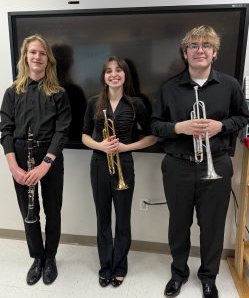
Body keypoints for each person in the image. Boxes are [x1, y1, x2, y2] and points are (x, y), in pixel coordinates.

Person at [151, 25, 249, 298]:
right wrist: (178, 128)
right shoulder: (169, 87)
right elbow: (155, 125)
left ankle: (208, 276)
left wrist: (221, 126)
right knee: (178, 225)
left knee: (213, 226)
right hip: (178, 165)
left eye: (206, 45)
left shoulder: (230, 85)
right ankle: (178, 273)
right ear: (185, 53)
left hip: (216, 163)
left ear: (215, 52)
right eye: (193, 46)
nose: (200, 50)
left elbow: (243, 117)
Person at [0, 34, 71, 285]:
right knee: (29, 211)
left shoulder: (58, 93)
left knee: (53, 210)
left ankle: (50, 258)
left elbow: (62, 130)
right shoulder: (12, 92)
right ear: (25, 57)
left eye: (42, 53)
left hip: (49, 158)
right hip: (20, 158)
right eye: (33, 52)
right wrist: (13, 167)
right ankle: (37, 258)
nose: (37, 57)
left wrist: (46, 163)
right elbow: (5, 130)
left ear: (48, 59)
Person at [82, 56, 156, 287]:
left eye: (118, 70)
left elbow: (153, 136)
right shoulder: (94, 102)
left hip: (124, 163)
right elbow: (84, 135)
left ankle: (120, 265)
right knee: (102, 218)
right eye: (108, 71)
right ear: (103, 76)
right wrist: (100, 145)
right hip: (98, 165)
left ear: (125, 74)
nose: (113, 74)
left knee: (123, 219)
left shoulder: (137, 104)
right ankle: (105, 266)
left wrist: (127, 146)